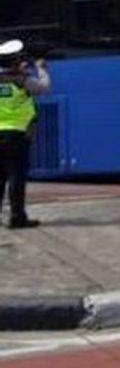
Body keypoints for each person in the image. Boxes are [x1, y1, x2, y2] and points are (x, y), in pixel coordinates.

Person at [0, 40, 50, 229]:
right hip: (15, 135)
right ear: (16, 61)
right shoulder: (21, 80)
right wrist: (41, 69)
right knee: (16, 176)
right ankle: (17, 217)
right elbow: (44, 88)